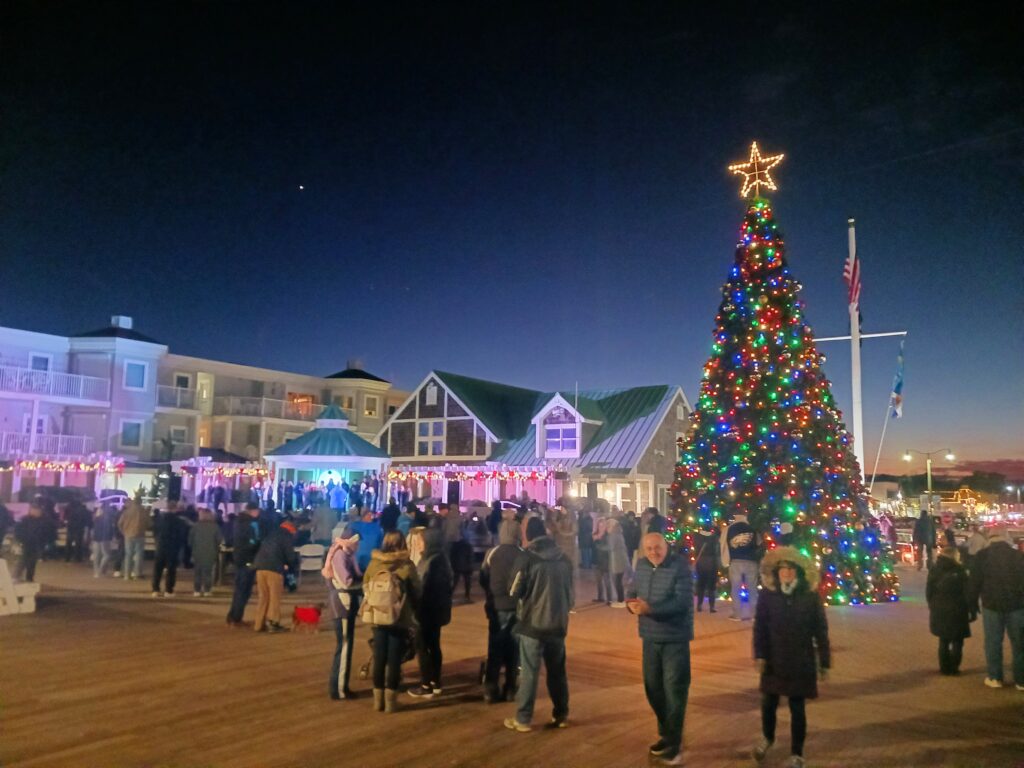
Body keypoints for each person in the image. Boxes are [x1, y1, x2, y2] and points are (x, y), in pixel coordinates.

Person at [752, 547, 830, 768]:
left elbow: (820, 630)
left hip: (799, 660)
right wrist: (759, 655)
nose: (785, 573)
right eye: (782, 569)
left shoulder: (809, 596)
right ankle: (768, 738)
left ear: (798, 572)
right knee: (768, 703)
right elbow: (760, 628)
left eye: (790, 569)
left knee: (797, 708)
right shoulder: (768, 596)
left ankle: (797, 753)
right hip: (773, 659)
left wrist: (824, 662)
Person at [626, 533, 693, 766]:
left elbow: (682, 603)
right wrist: (631, 604)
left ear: (666, 546)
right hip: (650, 637)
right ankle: (668, 735)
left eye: (658, 547)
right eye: (649, 548)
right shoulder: (642, 565)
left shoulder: (680, 566)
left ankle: (674, 745)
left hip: (675, 637)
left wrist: (650, 609)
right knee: (653, 688)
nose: (653, 552)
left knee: (674, 690)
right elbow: (632, 591)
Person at [503, 517, 574, 733]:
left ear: (529, 534)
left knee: (530, 673)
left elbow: (513, 590)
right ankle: (561, 714)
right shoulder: (564, 558)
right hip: (558, 623)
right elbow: (570, 593)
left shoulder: (528, 558)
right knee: (557, 671)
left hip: (532, 623)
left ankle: (523, 718)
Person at [362, 531, 421, 714]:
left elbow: (365, 586)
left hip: (377, 617)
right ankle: (391, 702)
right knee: (394, 660)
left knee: (380, 657)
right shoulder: (406, 564)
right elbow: (417, 590)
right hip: (399, 617)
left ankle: (377, 701)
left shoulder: (374, 563)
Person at [968, 524, 1024, 689]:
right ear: (1006, 538)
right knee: (1019, 643)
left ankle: (995, 677)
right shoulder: (1018, 556)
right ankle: (1021, 680)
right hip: (1017, 605)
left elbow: (974, 583)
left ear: (990, 538)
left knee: (993, 642)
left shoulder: (982, 556)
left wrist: (972, 605)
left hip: (991, 605)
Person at [408, 528, 453, 699]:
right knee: (433, 645)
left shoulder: (431, 562)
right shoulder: (440, 559)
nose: (418, 544)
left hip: (426, 611)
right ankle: (435, 682)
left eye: (420, 541)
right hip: (437, 611)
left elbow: (425, 588)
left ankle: (426, 683)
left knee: (423, 647)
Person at [481, 519, 522, 703]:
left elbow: (483, 578)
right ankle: (511, 687)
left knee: (495, 648)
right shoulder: (522, 554)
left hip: (496, 607)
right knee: (513, 649)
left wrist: (491, 595)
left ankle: (491, 687)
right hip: (516, 607)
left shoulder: (492, 553)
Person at [323, 533, 363, 699]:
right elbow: (346, 581)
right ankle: (339, 689)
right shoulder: (341, 555)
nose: (358, 545)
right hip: (342, 604)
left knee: (344, 646)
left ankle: (339, 687)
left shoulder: (341, 553)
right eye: (356, 542)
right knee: (345, 646)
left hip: (342, 603)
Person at [926, 546, 972, 675]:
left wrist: (932, 605)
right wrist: (970, 609)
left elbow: (929, 591)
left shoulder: (935, 569)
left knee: (943, 640)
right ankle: (954, 668)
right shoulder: (960, 571)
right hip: (958, 609)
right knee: (957, 641)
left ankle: (944, 668)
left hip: (940, 608)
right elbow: (967, 592)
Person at [252, 520, 299, 633]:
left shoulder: (271, 533)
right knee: (274, 597)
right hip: (274, 569)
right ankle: (273, 623)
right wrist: (292, 566)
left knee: (263, 597)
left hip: (260, 567)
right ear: (292, 529)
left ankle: (258, 624)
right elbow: (290, 556)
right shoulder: (286, 536)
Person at [226, 502, 264, 627]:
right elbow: (255, 541)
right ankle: (236, 618)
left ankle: (233, 615)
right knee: (244, 590)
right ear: (253, 511)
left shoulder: (238, 522)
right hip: (249, 558)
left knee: (238, 589)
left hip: (238, 557)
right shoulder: (252, 523)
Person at [723, 512, 760, 621]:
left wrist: (726, 560)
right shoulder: (752, 528)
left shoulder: (730, 529)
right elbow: (758, 544)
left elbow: (724, 544)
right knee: (752, 589)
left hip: (736, 561)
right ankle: (754, 614)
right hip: (751, 561)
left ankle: (737, 614)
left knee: (736, 589)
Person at [152, 505, 188, 597]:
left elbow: (154, 532)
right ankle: (168, 590)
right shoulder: (179, 521)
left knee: (158, 569)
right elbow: (182, 535)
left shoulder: (159, 521)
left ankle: (155, 589)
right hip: (172, 548)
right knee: (171, 570)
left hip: (160, 547)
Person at [189, 508, 222, 597]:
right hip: (211, 552)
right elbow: (219, 540)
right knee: (208, 572)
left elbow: (190, 541)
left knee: (197, 572)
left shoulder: (195, 526)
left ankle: (197, 590)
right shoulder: (215, 527)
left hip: (197, 552)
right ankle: (207, 590)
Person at [14, 504, 49, 582]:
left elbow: (47, 532)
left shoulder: (44, 521)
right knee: (23, 560)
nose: (36, 512)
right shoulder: (25, 520)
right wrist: (20, 540)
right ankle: (16, 576)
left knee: (32, 562)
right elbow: (18, 531)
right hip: (26, 543)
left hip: (37, 544)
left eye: (37, 510)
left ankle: (29, 578)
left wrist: (44, 542)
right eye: (34, 510)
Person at [118, 497, 150, 580]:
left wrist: (124, 532)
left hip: (128, 535)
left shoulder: (127, 511)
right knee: (139, 554)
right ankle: (137, 574)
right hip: (140, 534)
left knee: (128, 554)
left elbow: (120, 523)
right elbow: (148, 523)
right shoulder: (143, 511)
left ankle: (127, 574)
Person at [693, 523, 720, 613]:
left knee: (701, 585)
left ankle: (699, 606)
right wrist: (716, 527)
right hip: (711, 563)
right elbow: (719, 534)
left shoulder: (697, 537)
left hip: (700, 563)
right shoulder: (713, 537)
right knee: (711, 587)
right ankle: (711, 607)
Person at [348, 507, 383, 572]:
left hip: (356, 563)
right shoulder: (377, 528)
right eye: (369, 515)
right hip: (372, 562)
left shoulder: (354, 526)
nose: (371, 517)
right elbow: (381, 544)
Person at [606, 518, 630, 608]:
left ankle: (621, 600)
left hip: (617, 560)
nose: (607, 528)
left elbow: (610, 547)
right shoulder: (618, 533)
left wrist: (599, 546)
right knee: (618, 580)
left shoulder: (613, 535)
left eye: (608, 526)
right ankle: (621, 599)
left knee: (617, 581)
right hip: (621, 559)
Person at [91, 504, 117, 578]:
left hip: (96, 538)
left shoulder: (96, 518)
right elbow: (110, 529)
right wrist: (111, 536)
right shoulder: (108, 519)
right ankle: (101, 569)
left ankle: (96, 572)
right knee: (106, 555)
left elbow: (93, 528)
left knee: (96, 556)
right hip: (105, 538)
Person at [63, 498, 92, 563]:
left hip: (70, 527)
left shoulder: (69, 509)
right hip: (79, 528)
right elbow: (87, 520)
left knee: (69, 543)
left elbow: (65, 518)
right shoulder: (83, 510)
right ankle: (78, 558)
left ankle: (67, 557)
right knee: (78, 544)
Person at [592, 517, 612, 604]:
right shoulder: (595, 534)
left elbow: (607, 548)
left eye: (603, 525)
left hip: (605, 561)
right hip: (596, 560)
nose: (601, 527)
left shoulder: (608, 536)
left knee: (607, 581)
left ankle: (609, 599)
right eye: (599, 525)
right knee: (598, 581)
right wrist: (594, 539)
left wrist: (597, 541)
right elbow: (591, 546)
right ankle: (600, 597)